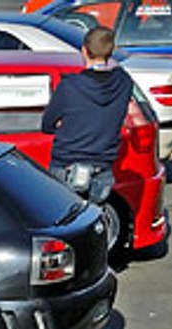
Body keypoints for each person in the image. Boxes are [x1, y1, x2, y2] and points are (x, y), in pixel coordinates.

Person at [42, 27, 136, 209]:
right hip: (102, 165)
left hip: (66, 163)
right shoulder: (123, 82)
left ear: (84, 50)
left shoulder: (70, 86)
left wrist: (63, 124)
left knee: (63, 219)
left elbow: (47, 124)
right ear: (112, 50)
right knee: (94, 218)